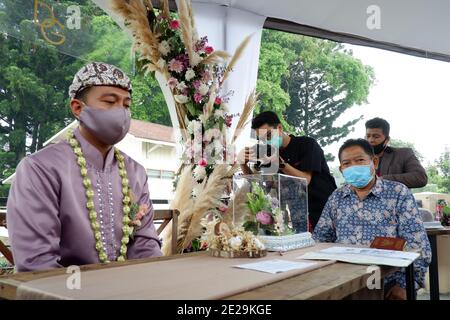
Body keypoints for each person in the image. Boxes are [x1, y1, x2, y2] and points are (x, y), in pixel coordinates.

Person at [7, 62, 162, 272]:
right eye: (110, 101)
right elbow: (37, 263)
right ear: (78, 108)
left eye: (126, 105)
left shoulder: (135, 172)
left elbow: (145, 246)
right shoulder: (40, 168)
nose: (122, 112)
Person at [313, 138, 431, 299]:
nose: (353, 166)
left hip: (388, 281)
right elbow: (320, 239)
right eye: (347, 163)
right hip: (344, 280)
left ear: (374, 162)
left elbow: (418, 246)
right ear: (341, 169)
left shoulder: (398, 193)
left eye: (360, 160)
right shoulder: (337, 198)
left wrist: (406, 286)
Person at [239, 111, 337, 229]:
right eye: (262, 140)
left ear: (279, 128)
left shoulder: (307, 144)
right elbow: (261, 189)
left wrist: (280, 164)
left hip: (324, 208)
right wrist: (243, 165)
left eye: (269, 135)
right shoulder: (268, 153)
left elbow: (305, 180)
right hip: (298, 215)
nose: (266, 142)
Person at [365, 117, 427, 188]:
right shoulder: (356, 158)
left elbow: (420, 177)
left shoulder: (403, 154)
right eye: (368, 136)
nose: (370, 140)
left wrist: (382, 179)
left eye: (376, 136)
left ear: (387, 140)